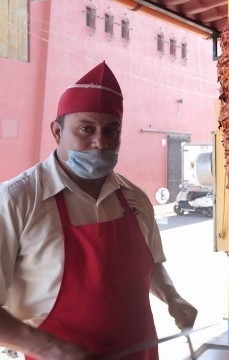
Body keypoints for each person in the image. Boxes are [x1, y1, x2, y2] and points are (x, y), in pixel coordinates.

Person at [0, 62, 197, 359]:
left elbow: (153, 264)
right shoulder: (16, 200)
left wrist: (173, 298)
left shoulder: (135, 198)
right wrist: (51, 347)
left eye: (111, 130)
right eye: (86, 129)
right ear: (57, 131)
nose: (99, 143)